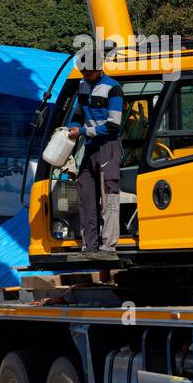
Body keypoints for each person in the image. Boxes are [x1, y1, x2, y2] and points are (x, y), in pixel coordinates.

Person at [69, 62, 124, 255]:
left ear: (99, 70)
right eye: (82, 72)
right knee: (86, 196)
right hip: (91, 147)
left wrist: (82, 131)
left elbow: (113, 125)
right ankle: (89, 246)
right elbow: (78, 113)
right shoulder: (83, 85)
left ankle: (108, 246)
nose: (85, 75)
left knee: (109, 196)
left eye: (89, 72)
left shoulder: (113, 88)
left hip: (109, 145)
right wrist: (71, 127)